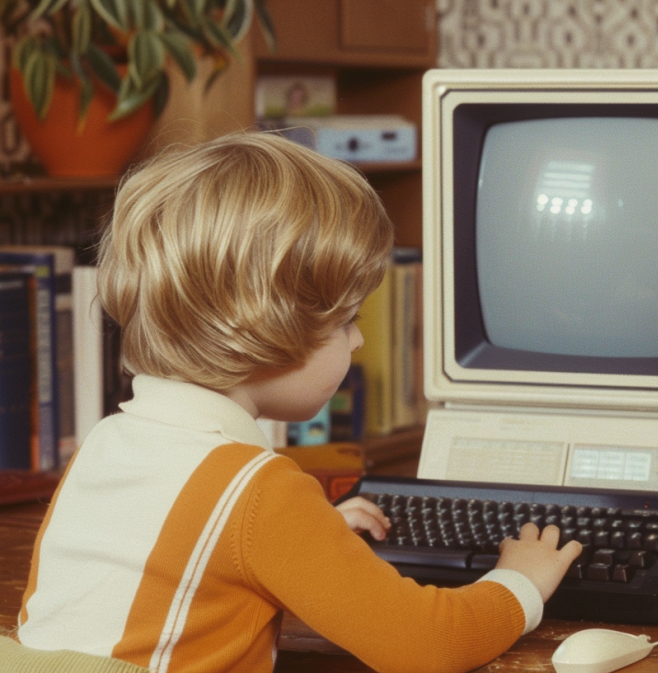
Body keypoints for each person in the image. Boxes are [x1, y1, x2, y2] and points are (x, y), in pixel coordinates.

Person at [11, 133, 582, 673]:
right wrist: (520, 583)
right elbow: (427, 644)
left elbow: (178, 563)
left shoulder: (105, 444)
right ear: (263, 328)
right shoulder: (261, 496)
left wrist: (312, 539)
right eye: (346, 321)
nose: (358, 341)